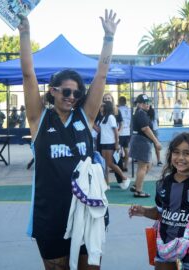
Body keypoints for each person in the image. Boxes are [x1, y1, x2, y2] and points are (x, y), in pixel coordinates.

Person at [18, 10, 120, 269]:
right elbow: (29, 75)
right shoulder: (39, 119)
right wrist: (25, 33)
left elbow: (101, 76)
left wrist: (108, 38)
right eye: (65, 91)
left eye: (76, 92)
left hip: (87, 212)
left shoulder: (84, 117)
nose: (72, 96)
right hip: (50, 215)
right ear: (52, 91)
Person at [129, 133, 189, 269]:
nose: (180, 158)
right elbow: (160, 213)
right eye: (176, 152)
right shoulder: (163, 183)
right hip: (165, 248)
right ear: (170, 155)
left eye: (187, 153)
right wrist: (144, 211)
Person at [129, 94, 161, 198]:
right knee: (143, 166)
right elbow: (146, 129)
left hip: (140, 141)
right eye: (144, 103)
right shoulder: (141, 113)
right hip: (142, 141)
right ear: (138, 104)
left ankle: (136, 185)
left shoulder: (140, 113)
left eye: (148, 102)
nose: (147, 104)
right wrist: (156, 141)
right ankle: (138, 191)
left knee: (146, 165)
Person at [99, 101, 130, 190]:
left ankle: (124, 178)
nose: (100, 108)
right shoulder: (104, 117)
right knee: (104, 164)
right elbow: (100, 130)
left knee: (110, 163)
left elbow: (116, 131)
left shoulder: (111, 117)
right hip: (104, 143)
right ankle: (106, 184)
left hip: (110, 143)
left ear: (106, 107)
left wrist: (116, 144)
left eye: (102, 106)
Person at [118, 96, 131, 171]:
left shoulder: (118, 110)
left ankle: (119, 167)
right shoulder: (129, 110)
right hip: (127, 131)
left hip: (121, 132)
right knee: (126, 150)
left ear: (119, 102)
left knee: (118, 150)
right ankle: (125, 166)